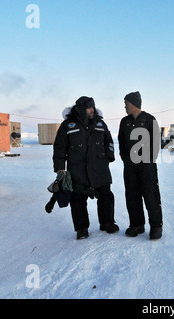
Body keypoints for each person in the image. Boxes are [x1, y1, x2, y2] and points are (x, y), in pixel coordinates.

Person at [53, 96, 119, 240]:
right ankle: (82, 228)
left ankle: (107, 222)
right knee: (77, 199)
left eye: (93, 107)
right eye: (90, 107)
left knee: (106, 196)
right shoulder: (68, 125)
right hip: (77, 169)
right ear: (81, 109)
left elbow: (109, 141)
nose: (93, 110)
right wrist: (59, 168)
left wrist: (108, 157)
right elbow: (59, 147)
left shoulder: (100, 124)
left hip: (99, 168)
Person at [118, 91, 163, 240]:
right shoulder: (124, 122)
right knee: (132, 195)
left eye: (126, 104)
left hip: (146, 166)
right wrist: (126, 159)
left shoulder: (150, 120)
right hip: (130, 166)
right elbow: (121, 142)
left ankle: (156, 226)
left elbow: (156, 143)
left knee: (151, 195)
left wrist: (148, 160)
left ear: (133, 104)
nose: (125, 107)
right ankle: (137, 224)